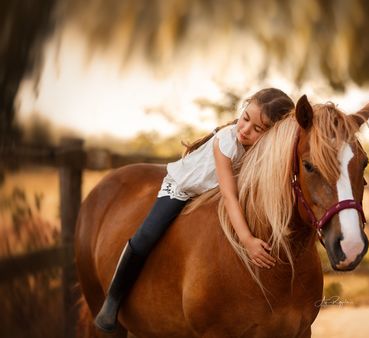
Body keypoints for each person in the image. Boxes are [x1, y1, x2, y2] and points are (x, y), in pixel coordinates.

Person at [94, 88, 295, 332]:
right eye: (245, 118)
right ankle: (113, 301)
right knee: (147, 235)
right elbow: (230, 196)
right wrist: (247, 239)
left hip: (213, 193)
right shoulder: (227, 141)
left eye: (257, 129)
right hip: (184, 188)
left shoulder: (267, 151)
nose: (245, 130)